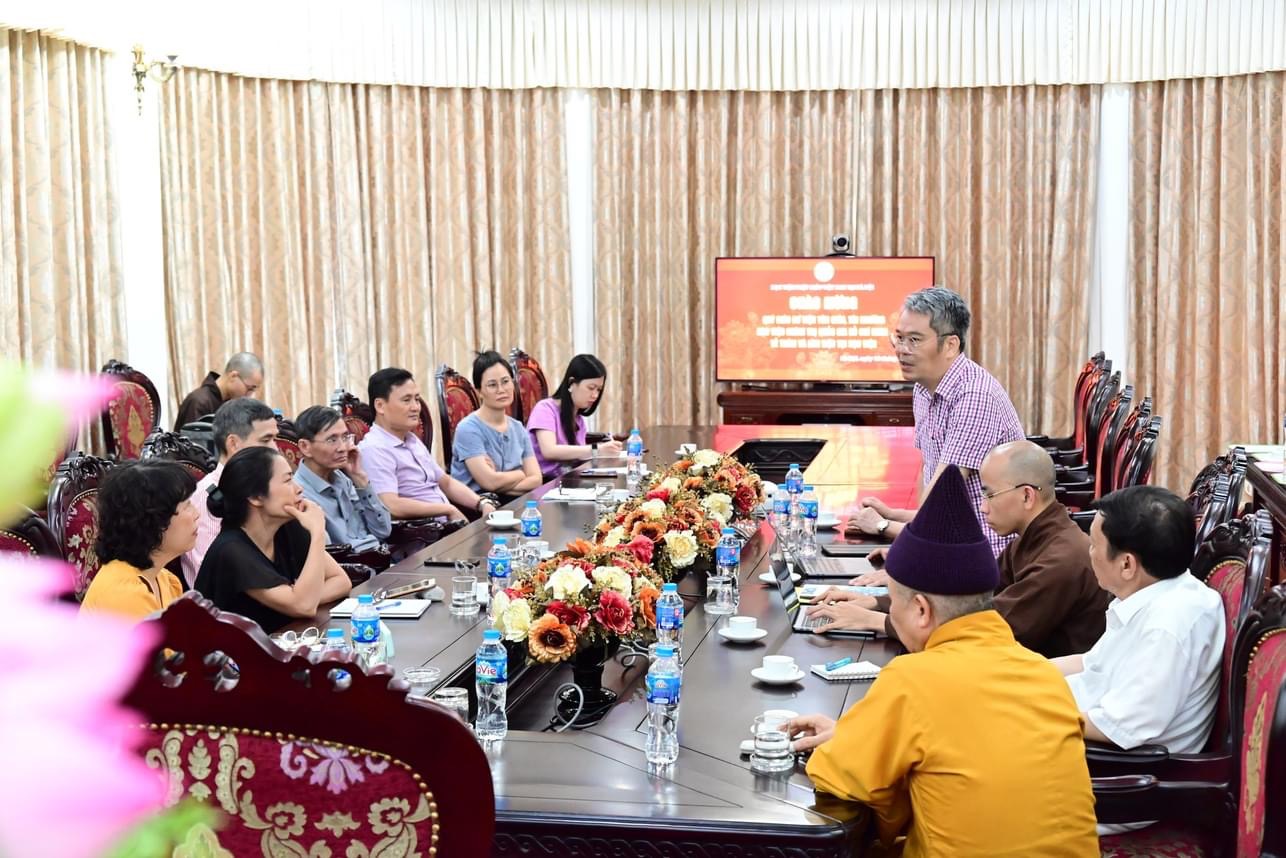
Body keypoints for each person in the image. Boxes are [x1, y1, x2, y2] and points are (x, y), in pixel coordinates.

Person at [786, 467, 1098, 857]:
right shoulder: (1042, 675)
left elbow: (841, 778)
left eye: (894, 602)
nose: (892, 613)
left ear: (921, 610)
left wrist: (852, 744)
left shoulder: (913, 680)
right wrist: (860, 735)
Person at [810, 440, 1109, 658]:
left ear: (1027, 496)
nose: (983, 507)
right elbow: (971, 600)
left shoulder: (1060, 560)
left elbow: (981, 633)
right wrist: (876, 602)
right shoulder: (1036, 536)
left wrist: (878, 622)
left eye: (989, 495)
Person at [844, 286, 1024, 560]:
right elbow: (929, 473)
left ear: (950, 345)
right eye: (899, 338)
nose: (902, 350)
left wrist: (883, 526)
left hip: (986, 554)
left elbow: (942, 498)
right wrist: (895, 516)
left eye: (914, 340)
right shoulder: (924, 387)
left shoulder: (975, 395)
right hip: (949, 539)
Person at [1054, 485, 1223, 760]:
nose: (1089, 552)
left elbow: (1117, 726)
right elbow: (1093, 664)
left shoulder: (1166, 627)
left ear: (1127, 565)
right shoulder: (1158, 591)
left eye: (1094, 544)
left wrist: (1033, 711)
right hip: (1082, 715)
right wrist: (1020, 672)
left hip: (1119, 762)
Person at [194, 446, 351, 633]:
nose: (299, 488)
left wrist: (304, 596)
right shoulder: (231, 550)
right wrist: (317, 532)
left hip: (282, 640)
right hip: (233, 650)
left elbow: (341, 581)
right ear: (256, 497)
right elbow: (303, 606)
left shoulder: (288, 526)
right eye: (287, 480)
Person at [358, 367, 498, 522]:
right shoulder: (374, 449)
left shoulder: (411, 439)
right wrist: (447, 509)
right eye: (406, 400)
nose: (415, 407)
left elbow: (446, 483)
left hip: (449, 523)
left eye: (417, 399)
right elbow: (390, 506)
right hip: (424, 532)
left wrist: (481, 503)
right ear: (380, 406)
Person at [179, 398, 279, 586]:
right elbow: (214, 577)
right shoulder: (208, 498)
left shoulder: (270, 488)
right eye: (266, 440)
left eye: (275, 439)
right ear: (233, 444)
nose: (275, 449)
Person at [81, 460, 197, 621]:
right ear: (154, 521)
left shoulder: (164, 579)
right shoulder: (124, 594)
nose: (196, 514)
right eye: (187, 506)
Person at [293, 405, 391, 551]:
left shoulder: (342, 478)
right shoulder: (299, 494)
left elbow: (383, 531)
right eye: (332, 440)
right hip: (351, 563)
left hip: (379, 556)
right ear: (305, 447)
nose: (343, 448)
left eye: (345, 437)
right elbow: (324, 554)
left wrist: (360, 479)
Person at [450, 351, 542, 496]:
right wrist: (520, 474)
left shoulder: (518, 428)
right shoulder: (468, 429)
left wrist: (499, 482)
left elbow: (536, 480)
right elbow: (490, 482)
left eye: (505, 381)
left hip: (513, 502)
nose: (501, 390)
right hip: (480, 506)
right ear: (479, 392)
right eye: (492, 385)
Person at [526, 353, 623, 478]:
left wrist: (606, 452)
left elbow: (577, 457)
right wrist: (596, 450)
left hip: (569, 479)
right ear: (571, 383)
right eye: (591, 388)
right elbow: (549, 451)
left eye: (598, 390)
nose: (595, 395)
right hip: (545, 482)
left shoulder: (578, 419)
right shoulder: (545, 409)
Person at [173, 352, 265, 429]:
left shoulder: (232, 404)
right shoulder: (199, 402)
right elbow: (193, 442)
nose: (249, 395)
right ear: (233, 376)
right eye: (249, 388)